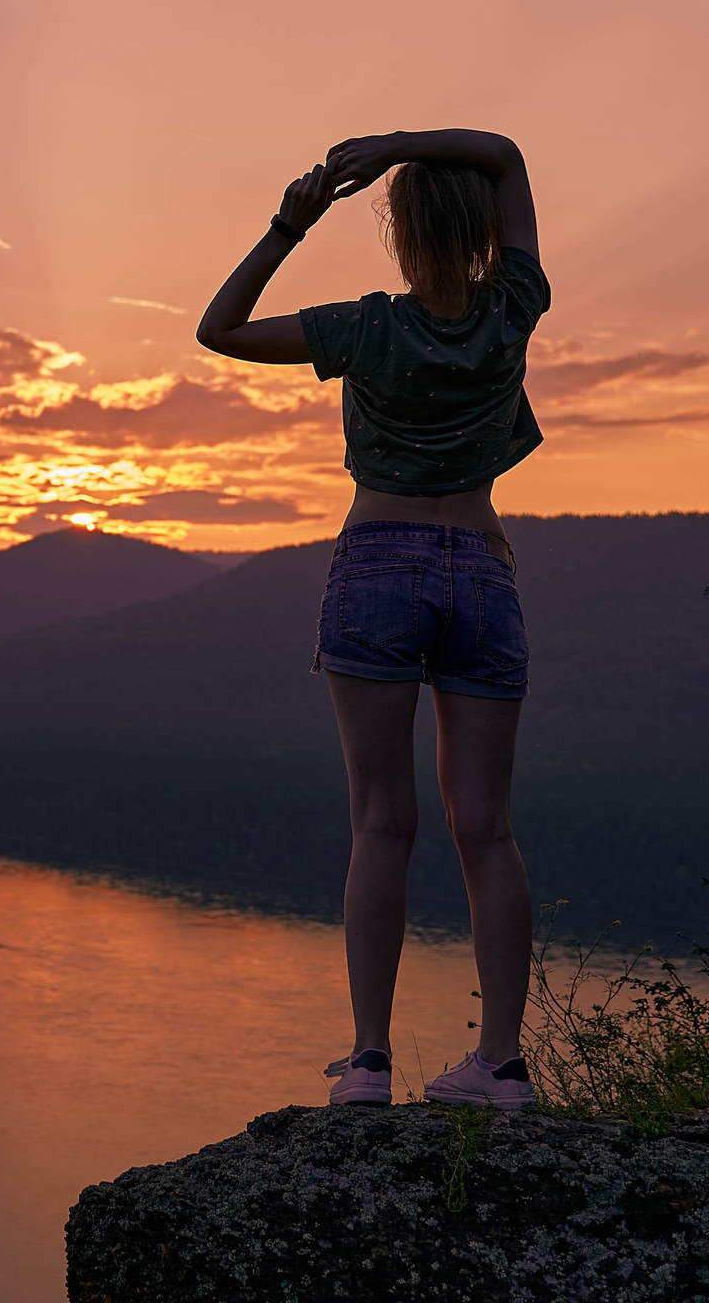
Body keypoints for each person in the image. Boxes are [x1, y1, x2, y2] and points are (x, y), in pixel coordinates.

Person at [194, 129, 546, 1111]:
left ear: (400, 236)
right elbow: (505, 154)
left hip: (378, 566)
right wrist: (394, 143)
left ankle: (366, 1065)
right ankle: (502, 1065)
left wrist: (287, 224)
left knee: (381, 821)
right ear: (483, 232)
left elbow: (218, 330)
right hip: (480, 568)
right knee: (487, 828)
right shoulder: (513, 310)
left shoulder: (364, 328)